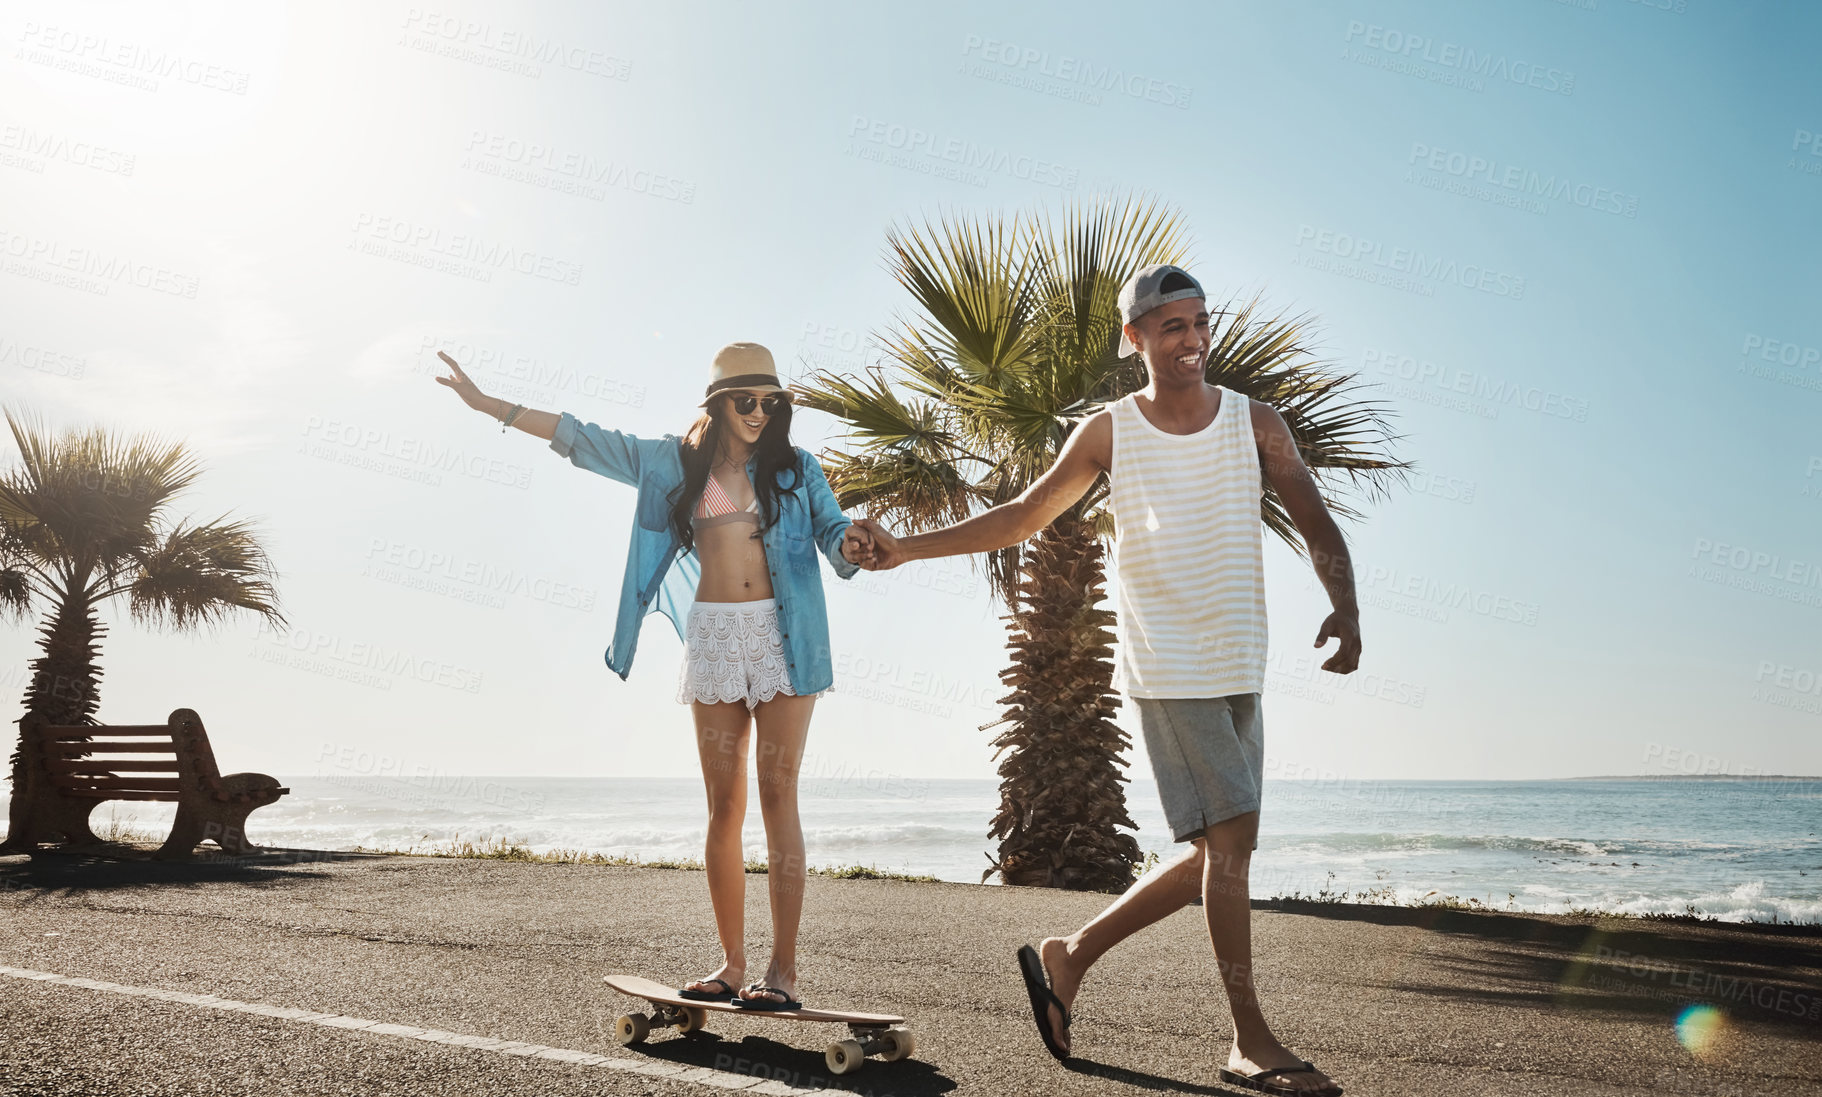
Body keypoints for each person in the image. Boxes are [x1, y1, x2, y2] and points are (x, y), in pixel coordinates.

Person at [852, 265, 1359, 1095]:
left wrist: (1347, 605)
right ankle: (1250, 1038)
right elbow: (1022, 516)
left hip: (1240, 662)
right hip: (1169, 664)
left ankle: (1069, 954)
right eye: (1171, 327)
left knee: (1217, 852)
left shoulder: (1255, 423)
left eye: (1201, 322)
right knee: (1230, 845)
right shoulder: (1109, 431)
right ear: (1136, 339)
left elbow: (1311, 515)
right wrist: (907, 546)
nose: (1193, 339)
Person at [435, 341, 873, 1012]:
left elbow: (834, 532)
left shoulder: (796, 467)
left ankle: (782, 972)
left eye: (770, 401)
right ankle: (732, 964)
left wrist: (852, 544)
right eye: (746, 400)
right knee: (723, 808)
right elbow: (580, 438)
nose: (760, 412)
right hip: (716, 638)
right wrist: (488, 403)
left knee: (777, 794)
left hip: (787, 641)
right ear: (720, 403)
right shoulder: (672, 463)